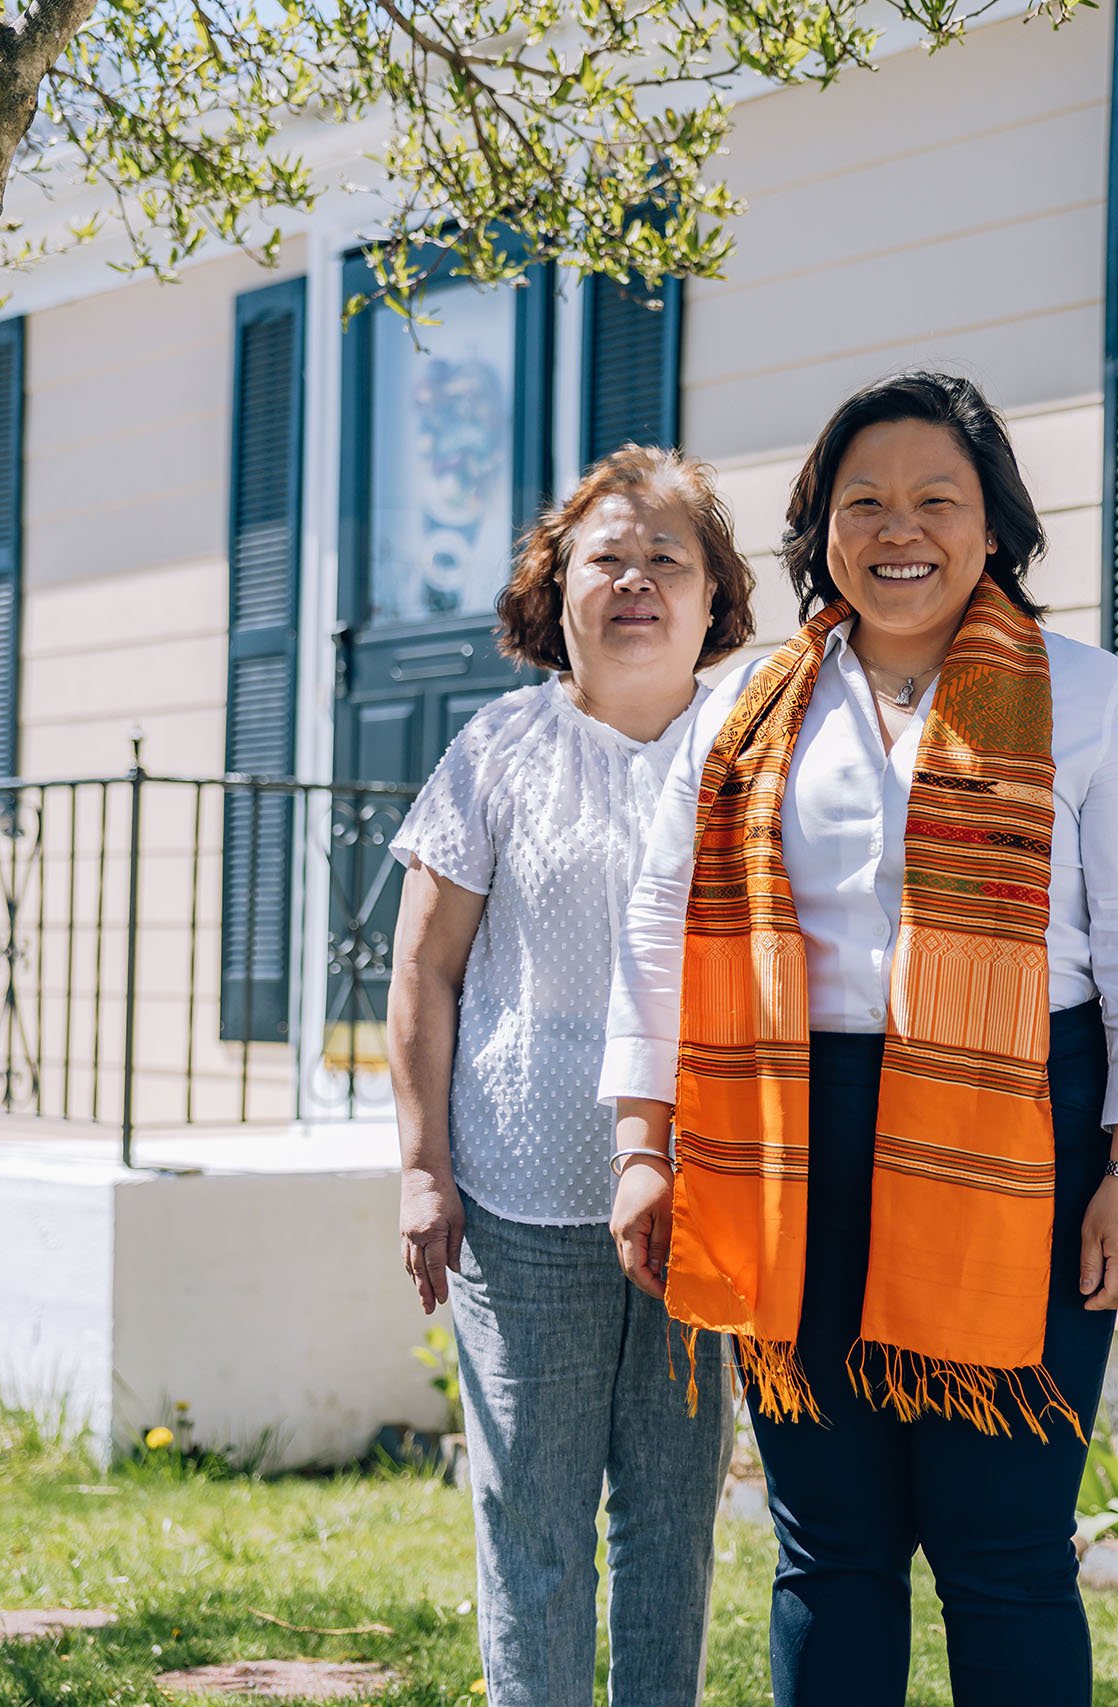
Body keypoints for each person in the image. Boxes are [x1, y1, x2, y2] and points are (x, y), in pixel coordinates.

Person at [601, 371, 1118, 1707]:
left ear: (994, 525)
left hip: (1024, 1142)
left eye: (938, 498)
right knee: (830, 1549)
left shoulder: (1097, 702)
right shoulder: (739, 710)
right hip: (784, 1143)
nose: (900, 528)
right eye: (862, 500)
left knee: (1005, 1548)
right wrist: (644, 1147)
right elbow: (658, 935)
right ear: (819, 526)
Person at [386, 445, 756, 1707]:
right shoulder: (495, 752)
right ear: (557, 588)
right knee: (531, 1528)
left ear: (717, 597)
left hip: (707, 1197)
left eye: (669, 559)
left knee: (671, 1527)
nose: (638, 581)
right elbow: (423, 973)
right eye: (609, 557)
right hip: (519, 1200)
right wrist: (422, 1172)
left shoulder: (754, 752)